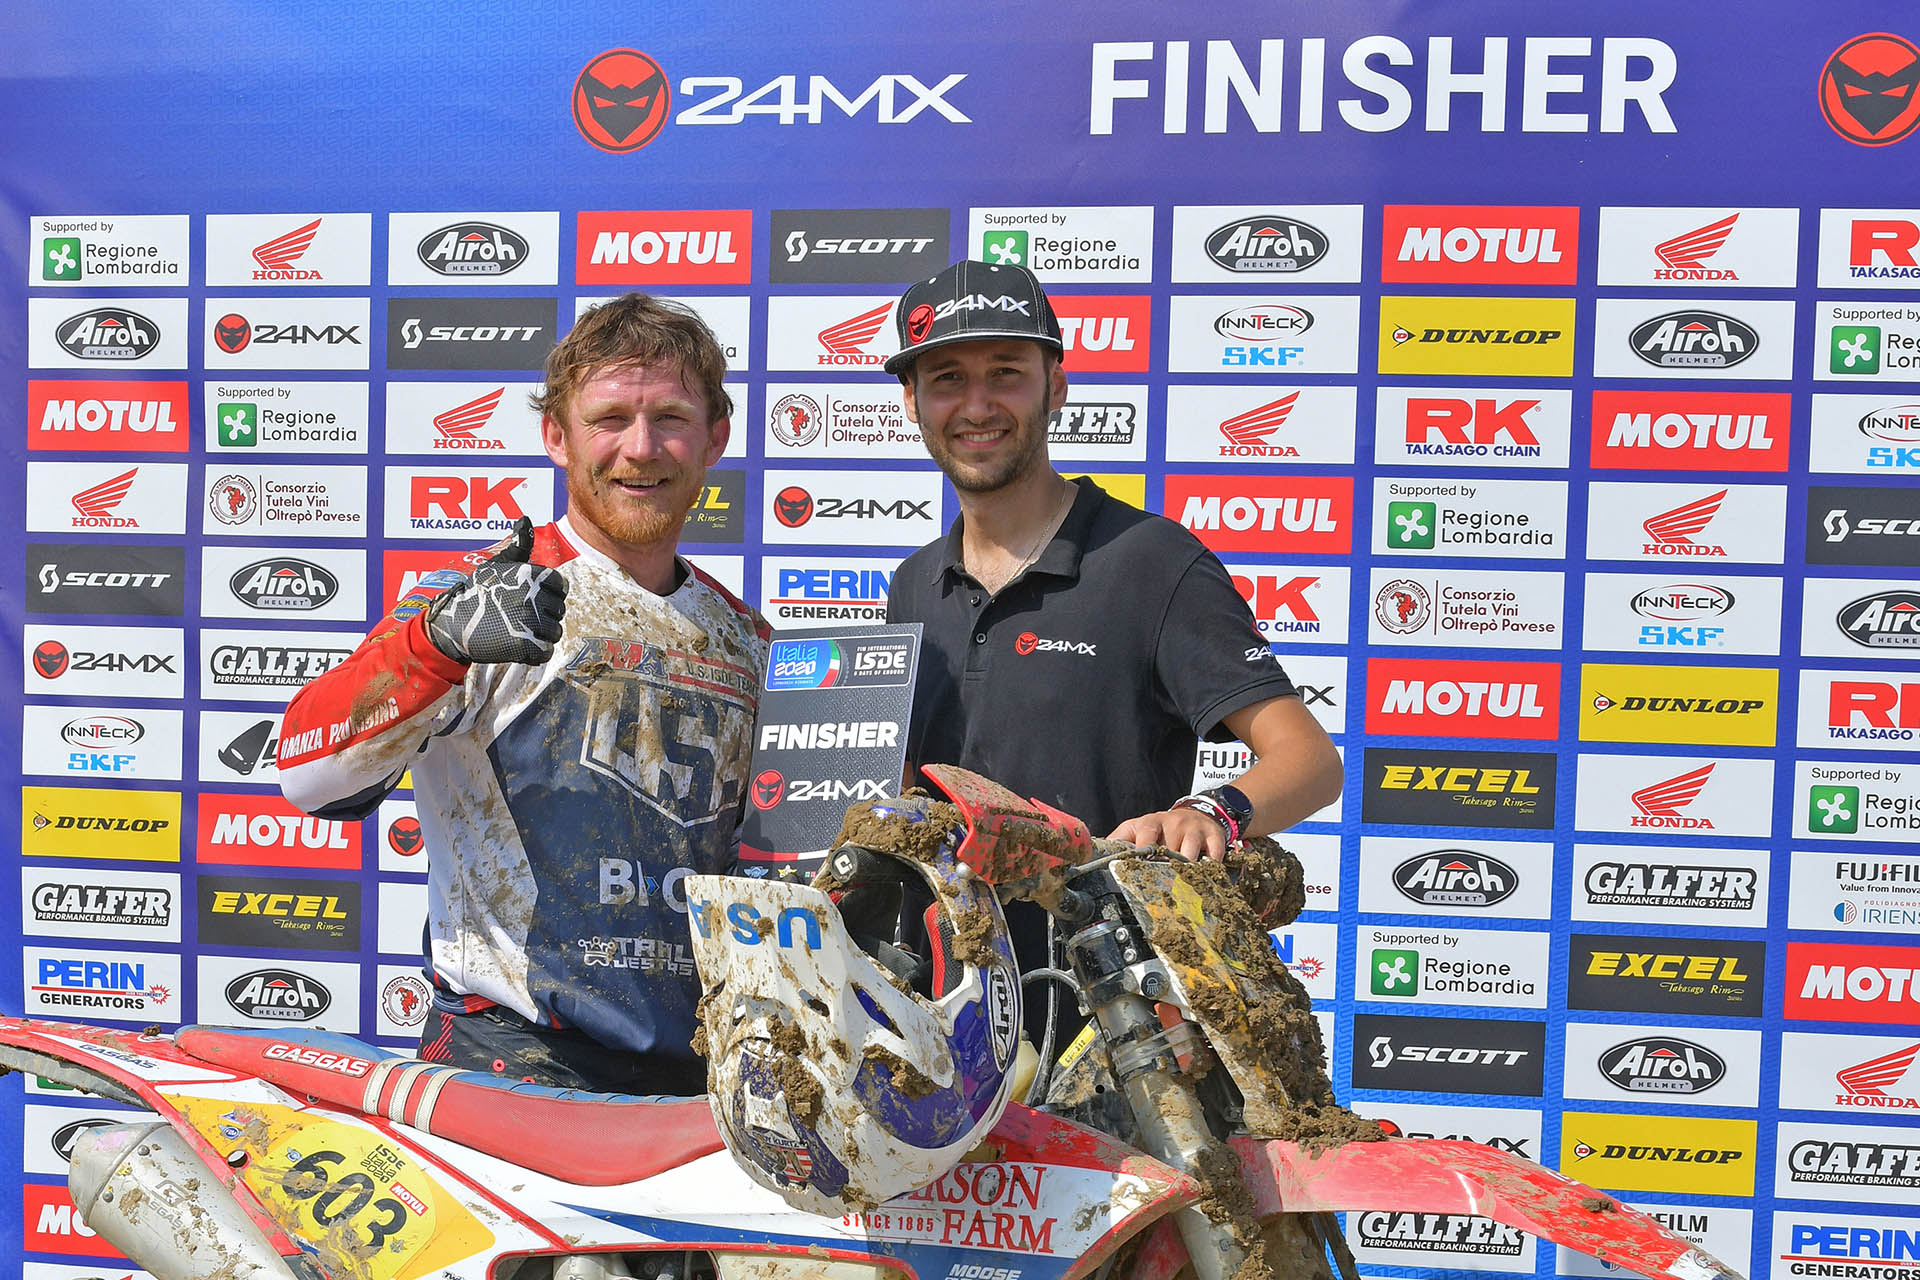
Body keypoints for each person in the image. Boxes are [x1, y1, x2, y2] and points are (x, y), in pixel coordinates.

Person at [279, 293, 769, 1095]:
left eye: (671, 419)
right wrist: (434, 646)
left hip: (700, 1075)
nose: (640, 449)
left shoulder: (746, 639)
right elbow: (309, 777)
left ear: (716, 437)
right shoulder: (483, 599)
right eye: (609, 419)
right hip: (510, 1062)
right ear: (557, 437)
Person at [883, 260, 1343, 997]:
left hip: (1116, 1020)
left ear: (1055, 386)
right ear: (912, 401)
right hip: (945, 1012)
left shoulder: (1152, 562)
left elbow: (1310, 759)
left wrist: (1212, 812)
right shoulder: (913, 583)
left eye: (1006, 373)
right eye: (947, 379)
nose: (977, 405)